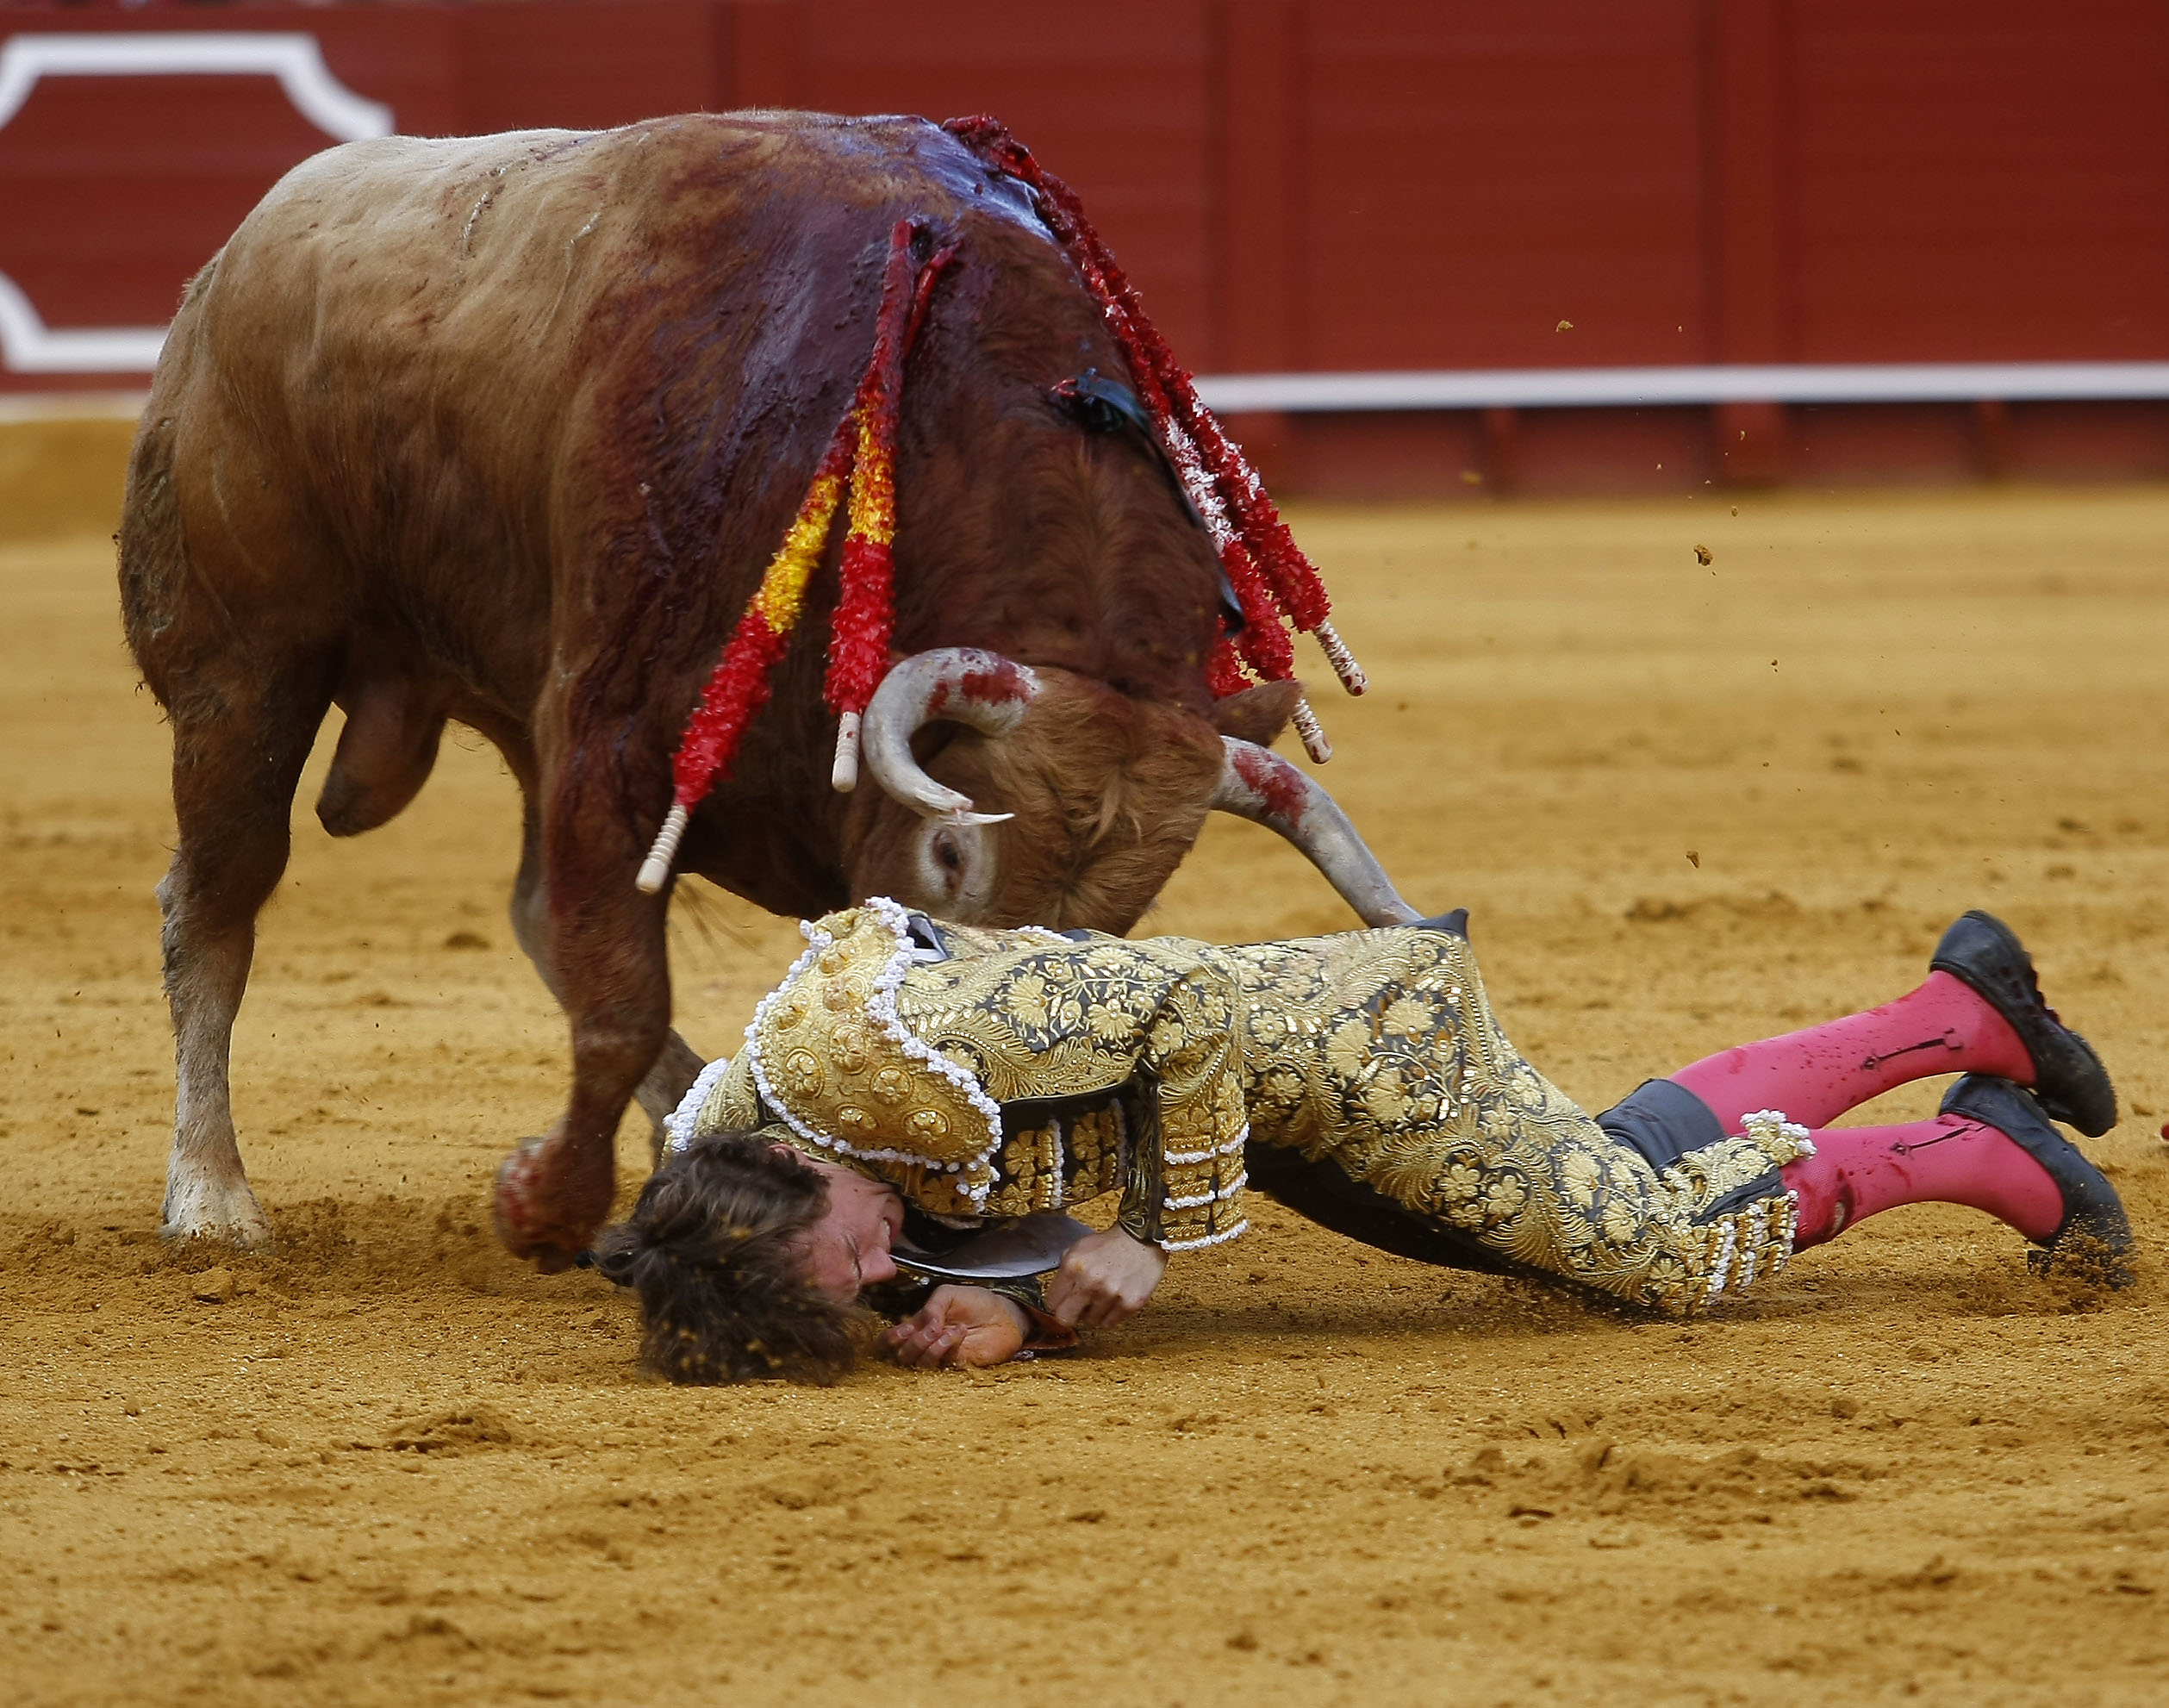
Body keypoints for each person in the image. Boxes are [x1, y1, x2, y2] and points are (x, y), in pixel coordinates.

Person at [595, 898, 2130, 1383]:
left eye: (850, 1259)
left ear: (798, 1168)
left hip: (1350, 1054)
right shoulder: (735, 1148)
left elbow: (1181, 1002)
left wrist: (1153, 1238)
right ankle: (1956, 1010)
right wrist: (993, 1294)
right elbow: (956, 1198)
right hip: (1279, 1096)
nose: (876, 1275)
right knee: (1599, 1160)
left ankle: (1980, 1148)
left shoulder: (866, 1065)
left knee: (1646, 1248)